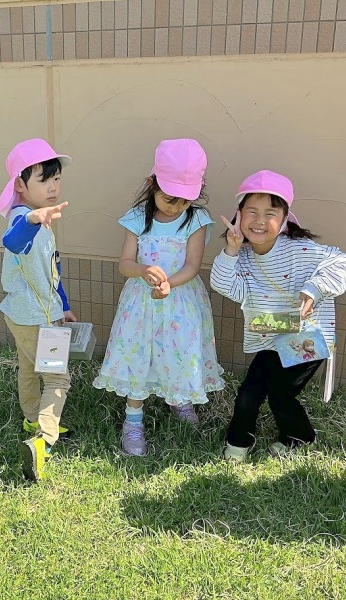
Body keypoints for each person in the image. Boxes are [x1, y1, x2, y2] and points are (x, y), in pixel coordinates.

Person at [211, 170, 346, 461]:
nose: (259, 220)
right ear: (239, 215)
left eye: (270, 213)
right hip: (271, 338)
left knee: (280, 393)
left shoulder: (301, 250)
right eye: (252, 211)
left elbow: (343, 263)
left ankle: (299, 437)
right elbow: (225, 286)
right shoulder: (242, 256)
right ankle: (238, 442)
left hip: (306, 338)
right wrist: (230, 250)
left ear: (285, 218)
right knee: (249, 392)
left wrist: (314, 289)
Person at [93, 139, 224, 456]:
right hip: (141, 301)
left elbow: (192, 265)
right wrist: (141, 270)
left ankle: (179, 398)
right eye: (169, 198)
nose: (175, 206)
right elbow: (125, 263)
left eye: (184, 201)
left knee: (179, 350)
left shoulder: (196, 219)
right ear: (152, 183)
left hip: (180, 300)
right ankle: (133, 419)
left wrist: (169, 283)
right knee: (139, 353)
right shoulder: (138, 217)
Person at [0, 138, 76, 481]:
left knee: (28, 368)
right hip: (37, 320)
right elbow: (12, 241)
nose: (53, 187)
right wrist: (32, 218)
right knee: (58, 378)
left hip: (24, 316)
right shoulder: (22, 220)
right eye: (44, 180)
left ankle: (32, 417)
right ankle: (43, 439)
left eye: (57, 178)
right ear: (20, 185)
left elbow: (50, 270)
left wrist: (64, 305)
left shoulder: (41, 220)